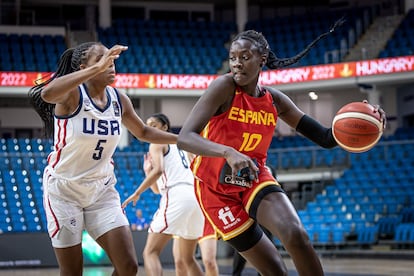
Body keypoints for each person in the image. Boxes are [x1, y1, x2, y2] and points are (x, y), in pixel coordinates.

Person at [177, 19, 387, 276]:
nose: (237, 63)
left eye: (245, 56)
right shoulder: (224, 87)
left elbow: (325, 137)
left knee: (295, 233)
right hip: (215, 190)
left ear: (262, 58)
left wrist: (367, 119)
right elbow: (185, 137)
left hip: (253, 178)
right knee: (275, 271)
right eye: (232, 58)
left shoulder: (275, 100)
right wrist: (227, 152)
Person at [28, 42, 177, 276]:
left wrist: (181, 139)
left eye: (112, 60)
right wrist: (93, 70)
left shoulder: (119, 99)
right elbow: (47, 94)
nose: (111, 64)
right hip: (65, 191)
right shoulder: (72, 95)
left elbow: (144, 132)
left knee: (128, 267)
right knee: (72, 271)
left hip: (101, 190)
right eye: (103, 59)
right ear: (83, 67)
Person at [122, 113, 205, 276]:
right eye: (147, 125)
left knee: (150, 252)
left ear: (165, 127)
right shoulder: (182, 146)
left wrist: (137, 192)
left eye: (153, 125)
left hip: (178, 194)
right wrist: (148, 172)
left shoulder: (156, 143)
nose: (148, 128)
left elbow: (159, 170)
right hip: (196, 197)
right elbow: (157, 190)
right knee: (188, 259)